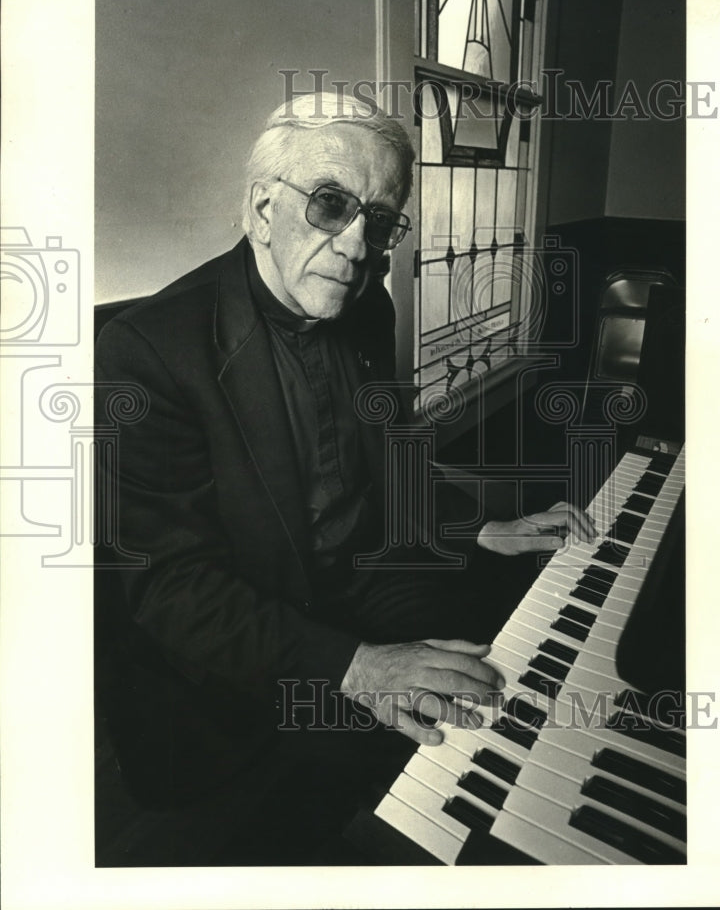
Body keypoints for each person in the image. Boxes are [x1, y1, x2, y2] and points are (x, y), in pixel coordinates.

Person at [94, 92, 595, 865]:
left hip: (359, 579)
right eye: (331, 205)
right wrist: (358, 666)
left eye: (381, 221)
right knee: (381, 804)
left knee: (505, 663)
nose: (359, 245)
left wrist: (476, 525)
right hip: (248, 643)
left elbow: (392, 451)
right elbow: (172, 589)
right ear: (263, 209)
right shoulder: (148, 352)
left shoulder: (364, 306)